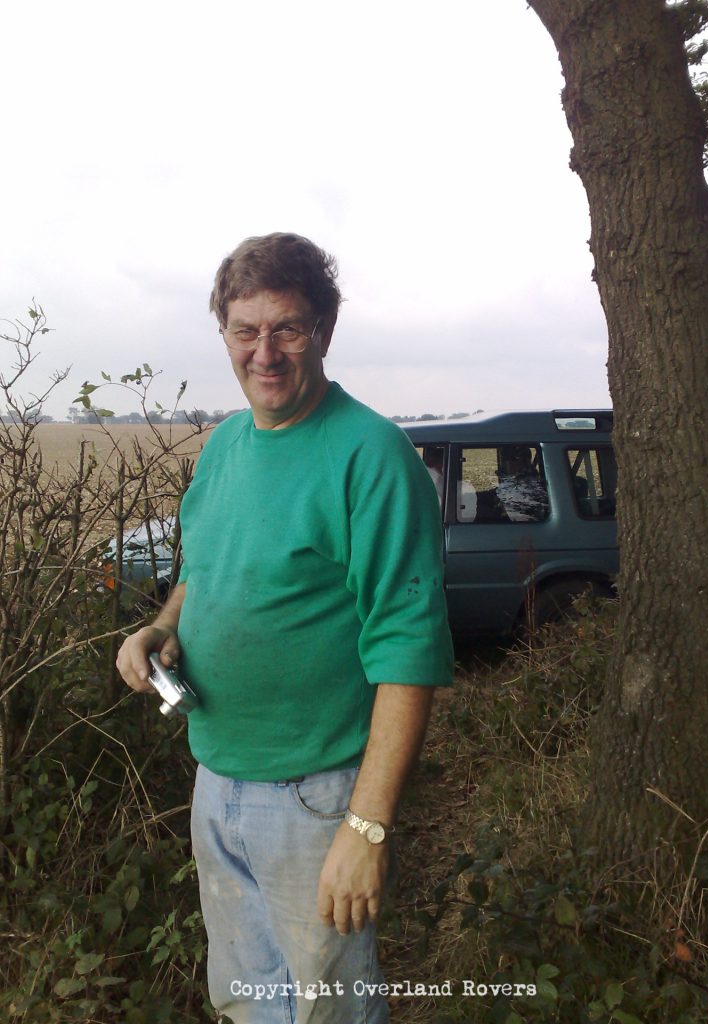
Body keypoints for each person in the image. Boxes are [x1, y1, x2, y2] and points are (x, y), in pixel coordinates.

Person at [116, 233, 454, 1024]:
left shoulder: (371, 454)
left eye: (287, 329)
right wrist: (161, 629)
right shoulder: (225, 447)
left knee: (328, 1010)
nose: (263, 353)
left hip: (316, 795)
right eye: (245, 330)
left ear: (324, 332)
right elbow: (202, 571)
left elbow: (407, 649)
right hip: (217, 775)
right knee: (247, 1000)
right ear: (224, 334)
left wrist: (366, 827)